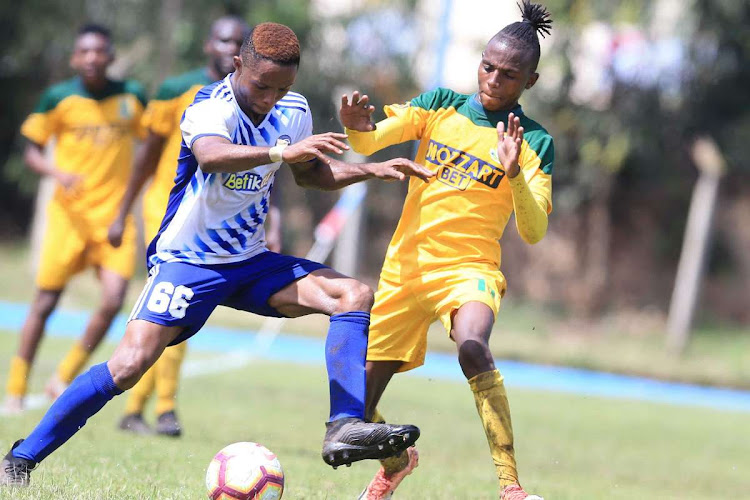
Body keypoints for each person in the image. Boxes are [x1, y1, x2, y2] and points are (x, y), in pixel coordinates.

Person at [0, 22, 432, 488]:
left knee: (352, 293)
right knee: (128, 366)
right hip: (187, 262)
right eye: (261, 85)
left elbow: (312, 175)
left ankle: (343, 426)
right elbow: (211, 155)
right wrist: (282, 155)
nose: (270, 97)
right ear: (238, 65)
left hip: (249, 262)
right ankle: (19, 459)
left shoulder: (293, 109)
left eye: (282, 87)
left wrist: (371, 169)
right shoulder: (209, 105)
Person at [340, 2, 554, 499]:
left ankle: (511, 487)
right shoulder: (440, 105)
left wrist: (515, 173)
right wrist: (355, 123)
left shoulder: (533, 141)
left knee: (473, 346)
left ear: (531, 81)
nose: (494, 79)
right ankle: (395, 464)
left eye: (509, 74)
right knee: (356, 406)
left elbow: (534, 230)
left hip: (469, 270)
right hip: (405, 271)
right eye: (488, 66)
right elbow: (370, 142)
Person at [108, 16, 263, 438]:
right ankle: (159, 408)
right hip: (172, 212)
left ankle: (148, 409)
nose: (228, 46)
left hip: (217, 218)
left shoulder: (257, 101)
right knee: (171, 311)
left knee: (177, 313)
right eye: (222, 39)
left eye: (238, 40)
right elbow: (148, 154)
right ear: (210, 46)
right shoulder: (180, 90)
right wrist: (122, 210)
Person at [2, 24, 146, 414]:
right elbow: (31, 150)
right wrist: (56, 173)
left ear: (111, 56)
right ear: (74, 58)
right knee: (45, 302)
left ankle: (65, 374)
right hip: (69, 219)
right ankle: (16, 386)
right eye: (84, 52)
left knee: (115, 299)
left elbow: (151, 141)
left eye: (99, 51)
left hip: (114, 218)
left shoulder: (131, 98)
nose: (92, 58)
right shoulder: (58, 98)